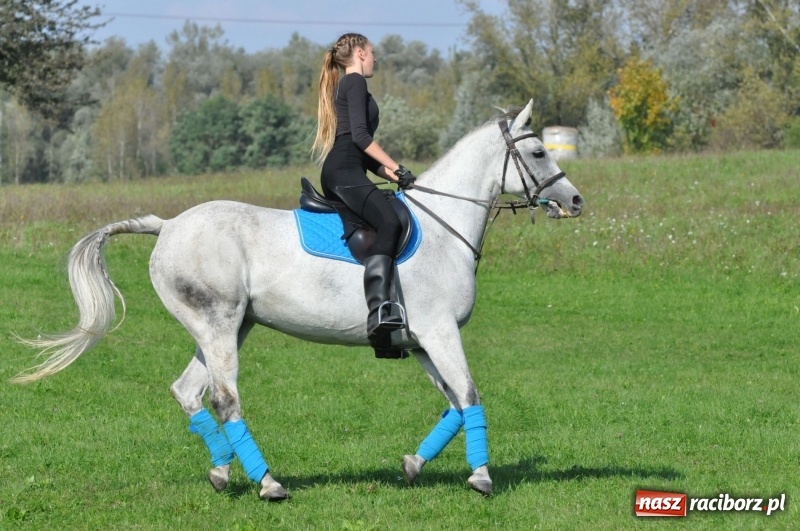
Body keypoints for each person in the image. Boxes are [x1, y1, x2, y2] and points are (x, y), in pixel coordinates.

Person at [311, 33, 416, 347]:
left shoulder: (349, 84)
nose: (374, 59)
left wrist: (396, 176)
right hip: (343, 171)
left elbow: (365, 156)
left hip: (349, 169)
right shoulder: (355, 82)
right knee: (390, 222)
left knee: (386, 217)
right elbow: (359, 137)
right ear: (359, 53)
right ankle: (379, 312)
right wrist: (395, 166)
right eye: (372, 53)